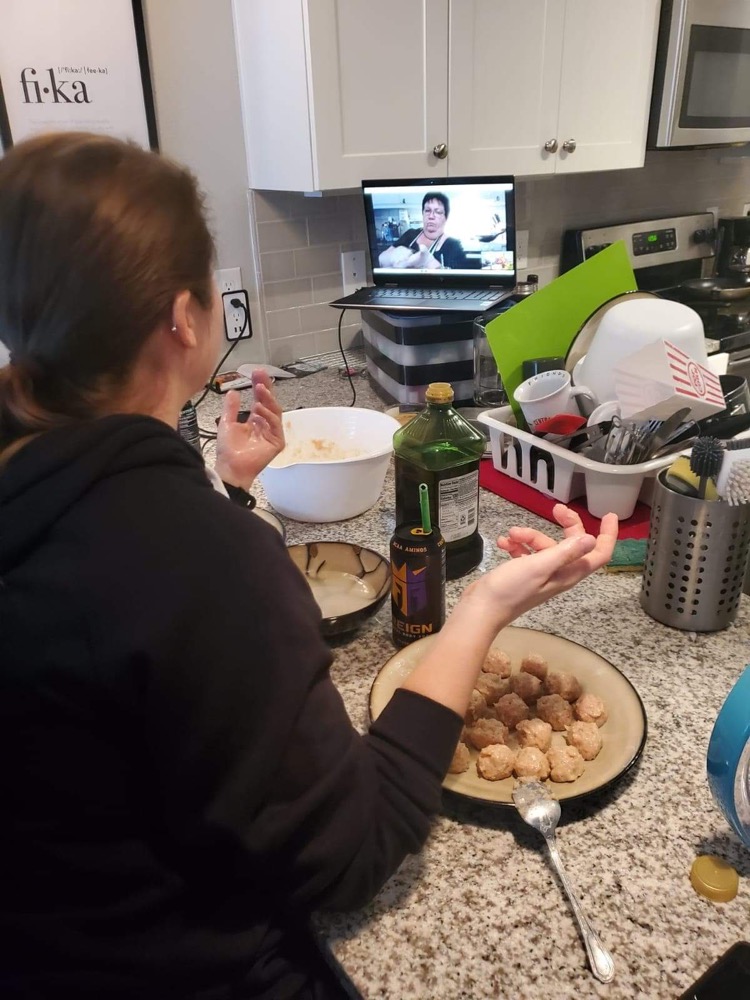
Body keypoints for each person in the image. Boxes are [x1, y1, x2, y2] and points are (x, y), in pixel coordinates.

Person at [0, 132, 618, 999]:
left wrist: (232, 490)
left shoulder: (48, 479)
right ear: (185, 317)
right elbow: (353, 848)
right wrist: (482, 609)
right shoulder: (193, 555)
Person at [377, 192, 479, 270]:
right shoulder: (410, 234)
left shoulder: (453, 245)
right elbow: (381, 259)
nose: (431, 216)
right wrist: (392, 256)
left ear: (446, 217)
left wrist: (428, 261)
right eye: (427, 210)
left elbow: (457, 282)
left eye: (438, 212)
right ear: (423, 213)